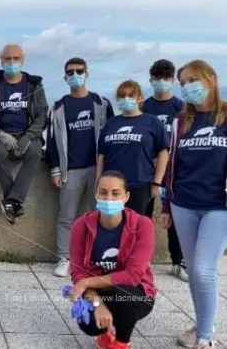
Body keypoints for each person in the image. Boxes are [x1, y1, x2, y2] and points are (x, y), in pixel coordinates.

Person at [162, 60, 227, 349]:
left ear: (211, 79)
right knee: (193, 271)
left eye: (194, 79)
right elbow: (173, 164)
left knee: (203, 269)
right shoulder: (181, 121)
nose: (189, 86)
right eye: (184, 82)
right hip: (184, 203)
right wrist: (166, 206)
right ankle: (203, 325)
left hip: (219, 205)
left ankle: (205, 339)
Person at [68, 170, 156, 349]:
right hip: (98, 291)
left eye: (116, 193)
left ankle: (121, 342)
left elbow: (133, 276)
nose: (109, 198)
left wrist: (85, 283)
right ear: (96, 193)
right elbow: (78, 273)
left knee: (123, 297)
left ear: (126, 196)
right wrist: (97, 303)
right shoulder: (81, 226)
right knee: (88, 324)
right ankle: (105, 331)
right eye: (103, 192)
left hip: (135, 294)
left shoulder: (142, 225)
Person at [46, 57, 114, 277]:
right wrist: (55, 169)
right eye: (70, 72)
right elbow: (52, 141)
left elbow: (111, 136)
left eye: (79, 70)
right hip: (71, 169)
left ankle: (99, 257)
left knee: (100, 214)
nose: (75, 75)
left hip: (98, 168)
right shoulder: (58, 107)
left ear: (87, 73)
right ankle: (64, 257)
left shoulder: (101, 104)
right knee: (67, 216)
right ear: (65, 77)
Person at [0, 44, 48, 224]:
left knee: (35, 153)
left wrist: (29, 136)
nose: (11, 62)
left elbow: (42, 116)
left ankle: (11, 201)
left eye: (16, 58)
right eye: (7, 58)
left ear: (22, 60)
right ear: (1, 60)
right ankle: (14, 200)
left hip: (27, 133)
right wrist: (0, 134)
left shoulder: (34, 85)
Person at [142, 59, 187, 282]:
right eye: (157, 78)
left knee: (175, 217)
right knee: (142, 216)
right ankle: (141, 260)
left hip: (175, 172)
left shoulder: (181, 108)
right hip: (147, 171)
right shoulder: (144, 106)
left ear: (173, 80)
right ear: (151, 80)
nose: (161, 82)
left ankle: (178, 262)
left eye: (166, 78)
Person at [96, 80, 169, 214]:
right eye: (122, 96)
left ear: (140, 98)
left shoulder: (152, 122)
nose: (126, 99)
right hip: (112, 186)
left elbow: (163, 152)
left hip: (140, 185)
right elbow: (102, 155)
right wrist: (98, 183)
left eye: (131, 95)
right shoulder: (111, 123)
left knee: (137, 227)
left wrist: (157, 183)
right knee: (113, 226)